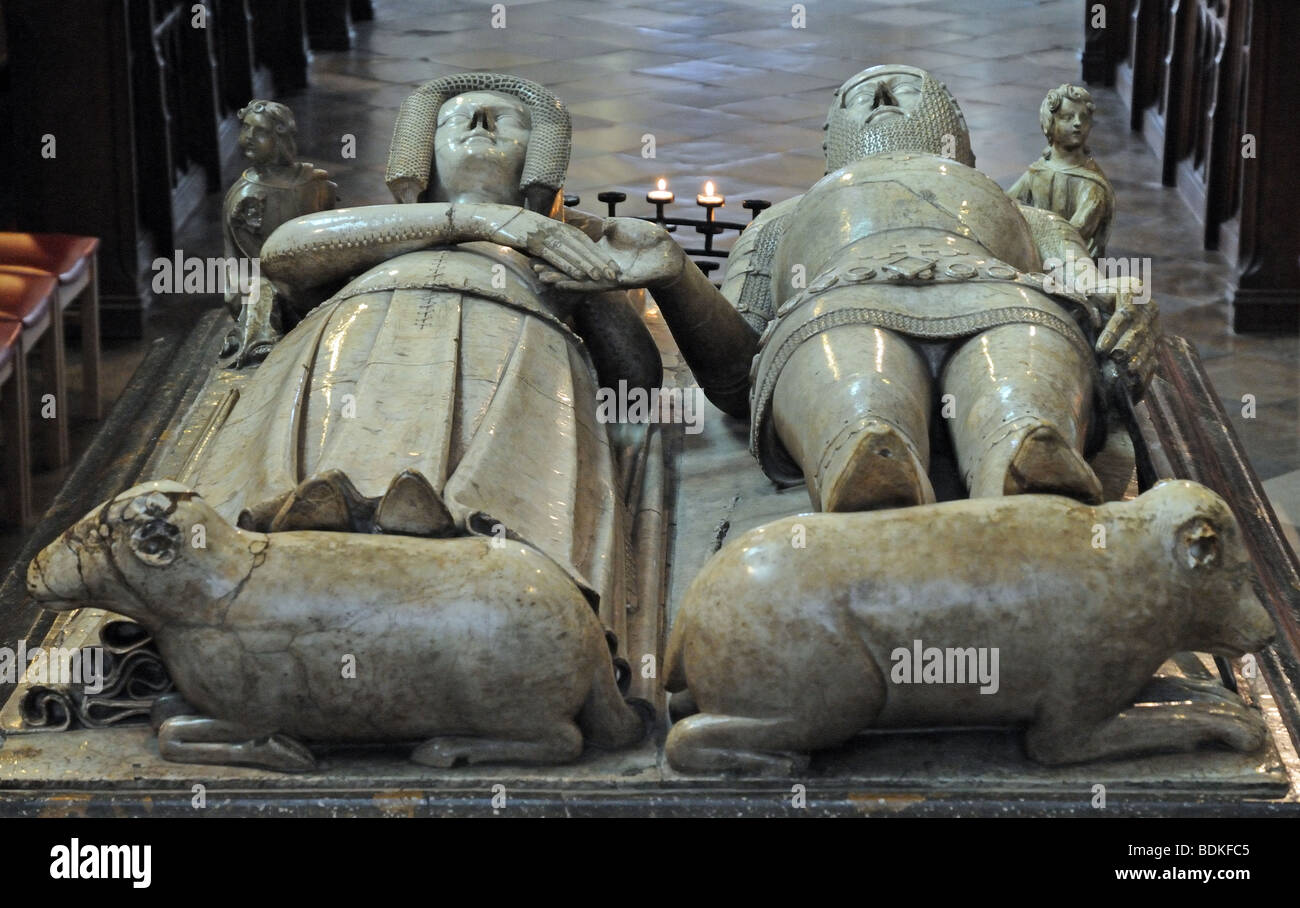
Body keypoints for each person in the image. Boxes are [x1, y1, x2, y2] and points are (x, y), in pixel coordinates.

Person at [1008, 83, 1115, 258]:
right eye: (1067, 117)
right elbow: (1007, 203)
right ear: (1049, 123)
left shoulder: (1091, 183)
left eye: (1083, 118)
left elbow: (1078, 229)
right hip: (1037, 257)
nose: (1078, 123)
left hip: (1072, 266)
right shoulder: (1038, 172)